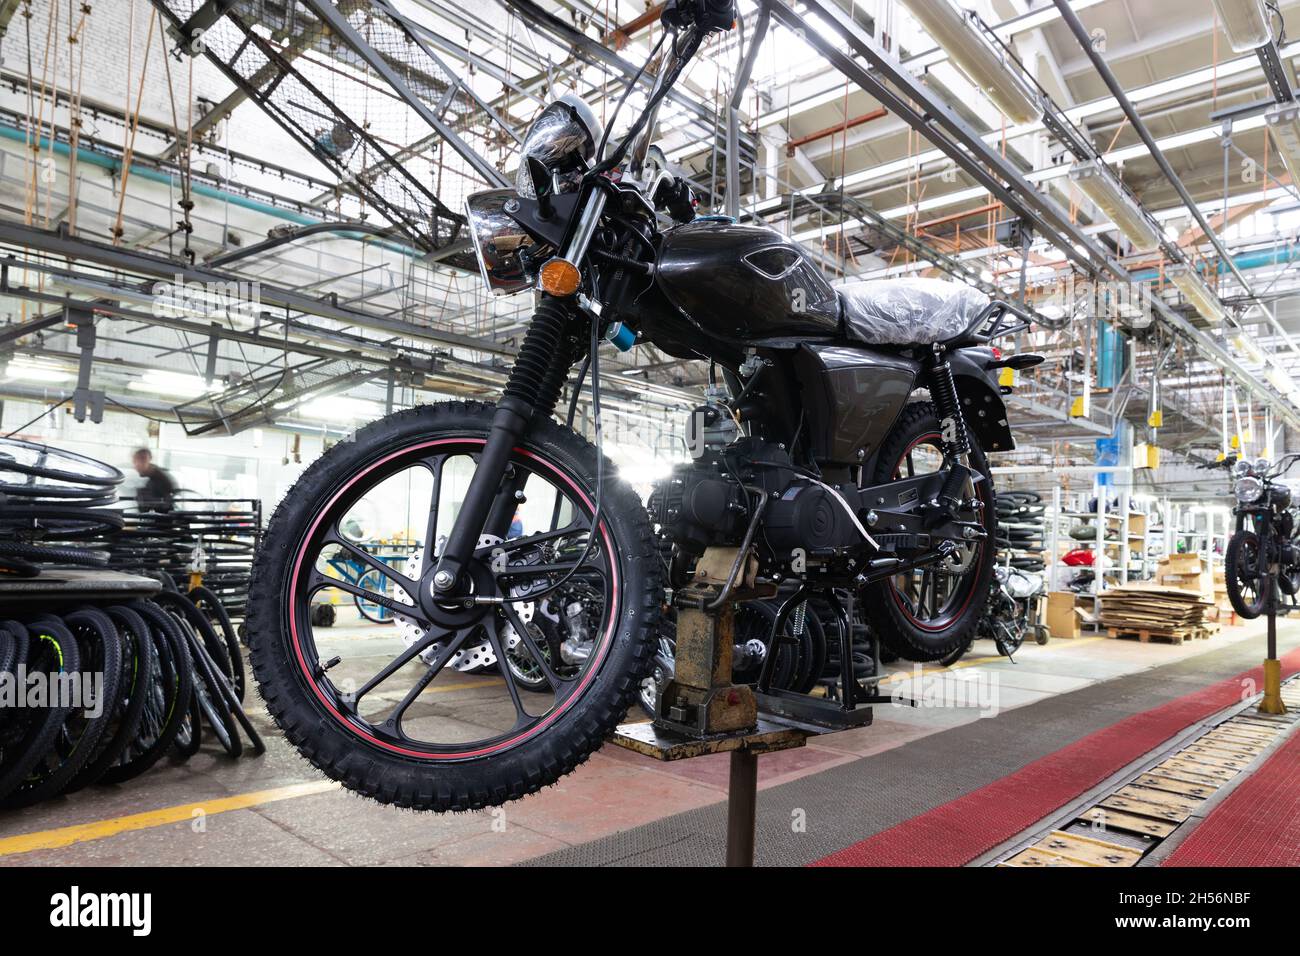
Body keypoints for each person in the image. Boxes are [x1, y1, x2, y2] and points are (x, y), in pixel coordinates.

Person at [132, 448, 177, 513]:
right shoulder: (148, 477)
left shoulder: (158, 479)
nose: (136, 465)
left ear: (148, 460)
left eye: (141, 460)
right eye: (135, 461)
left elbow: (165, 505)